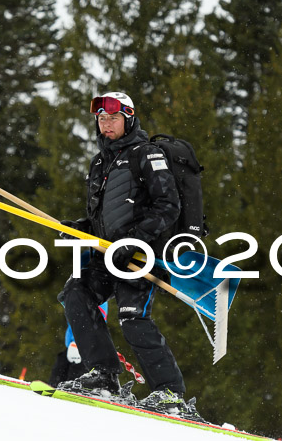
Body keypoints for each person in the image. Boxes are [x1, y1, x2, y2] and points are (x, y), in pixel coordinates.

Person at [57, 91, 190, 413]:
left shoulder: (147, 154)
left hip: (142, 255)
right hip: (108, 254)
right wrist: (80, 228)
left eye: (113, 118)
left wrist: (134, 240)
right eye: (102, 119)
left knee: (132, 317)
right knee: (76, 292)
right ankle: (103, 376)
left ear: (128, 119)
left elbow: (168, 206)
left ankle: (170, 395)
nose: (107, 124)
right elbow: (103, 219)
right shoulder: (101, 161)